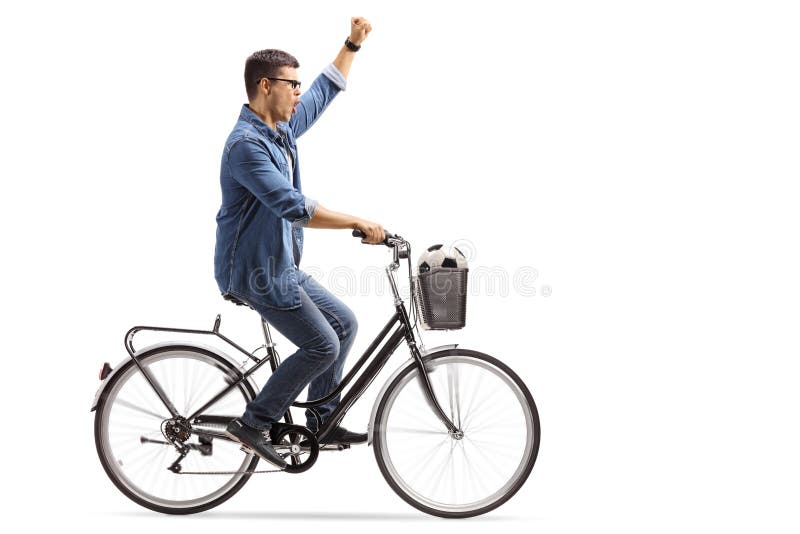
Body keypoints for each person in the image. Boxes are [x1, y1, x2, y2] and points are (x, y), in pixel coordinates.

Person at [214, 17, 385, 468]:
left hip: (279, 266)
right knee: (322, 345)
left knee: (343, 323)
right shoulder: (245, 146)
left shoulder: (281, 130)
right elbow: (293, 206)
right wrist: (358, 222)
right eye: (292, 84)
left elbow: (323, 93)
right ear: (265, 86)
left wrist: (352, 44)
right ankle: (254, 422)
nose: (297, 93)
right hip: (255, 272)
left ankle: (320, 422)